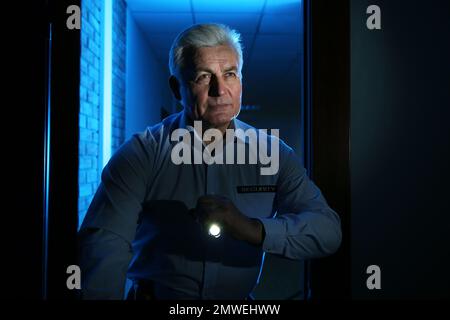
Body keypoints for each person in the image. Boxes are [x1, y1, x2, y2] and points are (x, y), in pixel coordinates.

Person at [78, 23, 342, 300]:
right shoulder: (141, 153)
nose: (220, 90)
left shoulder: (275, 154)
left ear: (241, 80)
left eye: (230, 74)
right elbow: (104, 247)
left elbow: (327, 232)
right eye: (203, 77)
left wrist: (250, 229)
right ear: (176, 88)